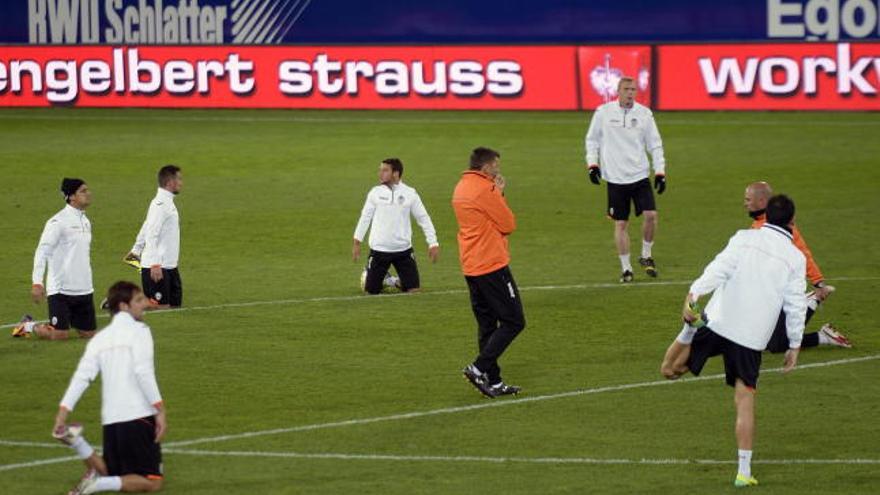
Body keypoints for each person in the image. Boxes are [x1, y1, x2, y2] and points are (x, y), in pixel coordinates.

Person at [660, 195, 807, 488]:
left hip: (719, 321)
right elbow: (795, 305)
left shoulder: (744, 238)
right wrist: (794, 344)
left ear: (765, 215)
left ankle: (690, 329)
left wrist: (694, 294)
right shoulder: (796, 258)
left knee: (669, 370)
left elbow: (719, 267)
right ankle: (743, 472)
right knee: (744, 401)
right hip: (751, 338)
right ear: (791, 222)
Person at [53, 281, 166, 494]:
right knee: (152, 482)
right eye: (139, 300)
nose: (145, 304)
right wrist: (159, 409)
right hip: (138, 415)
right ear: (124, 306)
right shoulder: (140, 331)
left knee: (113, 473)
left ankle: (77, 442)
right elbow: (143, 372)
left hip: (111, 419)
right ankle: (97, 483)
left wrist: (63, 412)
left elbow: (81, 377)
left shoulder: (100, 339)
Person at [452, 147, 525, 399]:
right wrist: (500, 193)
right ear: (485, 168)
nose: (498, 170)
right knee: (514, 321)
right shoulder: (486, 189)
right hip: (491, 264)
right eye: (495, 166)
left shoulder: (461, 186)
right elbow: (508, 224)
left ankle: (493, 380)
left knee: (486, 324)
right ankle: (478, 368)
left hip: (470, 264)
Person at [743, 182, 851, 350]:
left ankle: (811, 299)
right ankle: (823, 337)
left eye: (748, 199)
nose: (745, 203)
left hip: (784, 293)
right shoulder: (758, 225)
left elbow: (803, 252)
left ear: (762, 201)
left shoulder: (779, 225)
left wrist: (818, 282)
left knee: (776, 345)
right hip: (769, 294)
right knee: (772, 344)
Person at [585, 76, 667, 283]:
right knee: (621, 224)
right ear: (618, 91)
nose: (631, 92)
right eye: (627, 89)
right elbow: (592, 140)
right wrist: (592, 165)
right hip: (615, 178)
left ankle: (646, 255)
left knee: (651, 215)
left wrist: (660, 171)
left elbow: (655, 144)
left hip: (639, 175)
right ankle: (626, 268)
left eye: (633, 89)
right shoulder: (603, 113)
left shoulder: (644, 114)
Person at [13, 178, 97, 340]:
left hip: (84, 287)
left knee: (89, 334)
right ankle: (27, 325)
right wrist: (37, 283)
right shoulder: (57, 222)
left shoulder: (86, 221)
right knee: (60, 335)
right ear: (71, 196)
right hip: (61, 289)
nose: (88, 194)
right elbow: (42, 251)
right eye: (83, 191)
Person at [352, 158, 439, 294]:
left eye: (385, 170)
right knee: (371, 292)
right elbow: (365, 217)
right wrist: (357, 242)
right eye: (380, 170)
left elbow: (423, 218)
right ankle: (386, 280)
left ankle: (393, 281)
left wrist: (433, 243)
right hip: (379, 251)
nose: (380, 173)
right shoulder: (375, 192)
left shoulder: (410, 193)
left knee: (414, 291)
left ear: (396, 173)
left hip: (403, 251)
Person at [126, 165, 184, 309]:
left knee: (175, 307)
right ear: (170, 182)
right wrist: (155, 264)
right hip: (158, 267)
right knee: (161, 307)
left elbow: (146, 225)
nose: (181, 183)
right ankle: (122, 302)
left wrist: (136, 249)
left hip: (170, 265)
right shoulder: (160, 204)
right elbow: (152, 233)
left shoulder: (166, 202)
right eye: (179, 179)